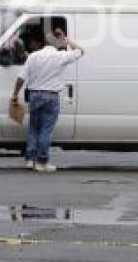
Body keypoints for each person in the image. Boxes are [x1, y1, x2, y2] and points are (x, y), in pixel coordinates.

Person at [11, 28, 84, 173]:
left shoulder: (33, 56)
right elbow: (80, 51)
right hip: (51, 96)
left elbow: (21, 77)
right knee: (46, 130)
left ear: (44, 43)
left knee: (34, 128)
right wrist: (66, 39)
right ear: (56, 44)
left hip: (34, 95)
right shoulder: (60, 56)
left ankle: (30, 160)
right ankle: (42, 162)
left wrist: (15, 94)